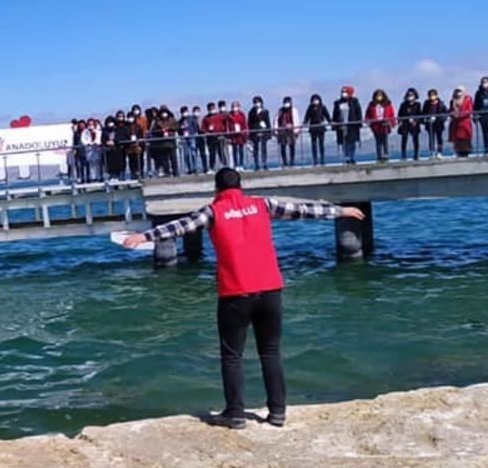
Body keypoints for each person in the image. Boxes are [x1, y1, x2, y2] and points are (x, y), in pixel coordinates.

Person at [121, 167, 363, 429]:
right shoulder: (262, 204)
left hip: (236, 292)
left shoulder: (213, 211)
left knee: (232, 356)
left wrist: (143, 236)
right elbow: (302, 210)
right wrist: (341, 211)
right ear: (241, 186)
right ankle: (278, 412)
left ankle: (235, 414)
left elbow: (180, 227)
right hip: (270, 289)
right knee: (270, 353)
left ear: (216, 189)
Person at [332, 86, 363, 164]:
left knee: (351, 142)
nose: (344, 94)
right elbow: (335, 114)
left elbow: (358, 113)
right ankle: (346, 157)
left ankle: (352, 157)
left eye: (345, 92)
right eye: (343, 92)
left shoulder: (354, 102)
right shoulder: (337, 103)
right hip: (341, 125)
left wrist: (359, 123)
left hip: (352, 125)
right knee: (344, 142)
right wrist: (334, 123)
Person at [365, 89, 396, 163]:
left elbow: (392, 114)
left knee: (385, 141)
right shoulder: (371, 105)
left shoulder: (388, 104)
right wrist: (368, 121)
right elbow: (368, 114)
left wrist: (392, 123)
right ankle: (379, 156)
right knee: (378, 141)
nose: (378, 97)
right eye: (377, 95)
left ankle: (386, 155)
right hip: (376, 125)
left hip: (385, 124)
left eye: (380, 95)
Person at [397, 88, 423, 161]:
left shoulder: (418, 104)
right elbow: (399, 114)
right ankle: (403, 155)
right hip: (405, 124)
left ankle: (416, 155)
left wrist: (416, 121)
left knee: (415, 140)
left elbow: (420, 114)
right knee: (404, 139)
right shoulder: (403, 105)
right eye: (409, 95)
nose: (410, 96)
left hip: (414, 124)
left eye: (411, 95)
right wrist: (400, 121)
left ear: (415, 95)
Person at [247, 96, 272, 171]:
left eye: (258, 102)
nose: (257, 104)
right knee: (256, 149)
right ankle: (256, 164)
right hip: (254, 132)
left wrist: (268, 132)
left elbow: (268, 122)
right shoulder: (251, 112)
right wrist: (250, 134)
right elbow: (249, 123)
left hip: (263, 132)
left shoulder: (265, 111)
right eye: (255, 102)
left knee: (263, 149)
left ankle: (264, 163)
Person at [303, 95, 329, 166]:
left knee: (321, 144)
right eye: (314, 100)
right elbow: (307, 117)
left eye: (316, 100)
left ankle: (322, 159)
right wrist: (304, 123)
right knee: (314, 145)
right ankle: (315, 160)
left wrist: (330, 121)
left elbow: (327, 115)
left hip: (321, 128)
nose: (315, 101)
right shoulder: (310, 108)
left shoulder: (323, 107)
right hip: (313, 128)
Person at [449, 87, 474, 158]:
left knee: (465, 138)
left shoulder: (468, 99)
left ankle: (466, 153)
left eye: (459, 91)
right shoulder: (453, 100)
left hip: (464, 122)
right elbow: (450, 110)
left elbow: (469, 110)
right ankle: (458, 152)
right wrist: (452, 114)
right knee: (457, 139)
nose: (458, 93)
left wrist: (460, 114)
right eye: (456, 91)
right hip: (455, 123)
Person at [422, 89, 448, 158]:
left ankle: (439, 152)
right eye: (430, 95)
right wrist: (426, 120)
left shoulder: (441, 103)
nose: (432, 97)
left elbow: (445, 113)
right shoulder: (426, 104)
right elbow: (423, 113)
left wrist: (441, 119)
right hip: (430, 124)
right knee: (431, 139)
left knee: (439, 138)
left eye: (433, 95)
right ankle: (432, 152)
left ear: (436, 95)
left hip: (439, 124)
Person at [275, 97, 298, 168]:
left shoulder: (293, 110)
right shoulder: (280, 111)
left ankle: (292, 162)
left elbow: (296, 119)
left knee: (292, 146)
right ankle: (284, 162)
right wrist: (276, 130)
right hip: (282, 131)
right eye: (285, 102)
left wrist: (296, 129)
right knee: (283, 147)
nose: (286, 104)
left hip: (291, 131)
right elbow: (276, 120)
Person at [226, 101, 248, 169]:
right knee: (234, 150)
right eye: (233, 107)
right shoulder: (229, 115)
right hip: (233, 135)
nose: (234, 108)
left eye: (236, 106)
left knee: (241, 150)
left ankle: (241, 164)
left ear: (239, 107)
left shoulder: (242, 114)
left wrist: (245, 132)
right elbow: (228, 125)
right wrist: (228, 135)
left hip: (241, 135)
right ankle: (236, 164)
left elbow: (245, 124)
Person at [178, 107, 199, 174]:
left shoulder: (191, 119)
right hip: (184, 139)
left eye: (185, 111)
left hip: (191, 137)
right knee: (186, 154)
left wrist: (195, 133)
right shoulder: (180, 121)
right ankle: (189, 169)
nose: (185, 113)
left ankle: (195, 168)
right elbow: (179, 130)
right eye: (183, 112)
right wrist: (181, 132)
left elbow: (195, 126)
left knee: (193, 153)